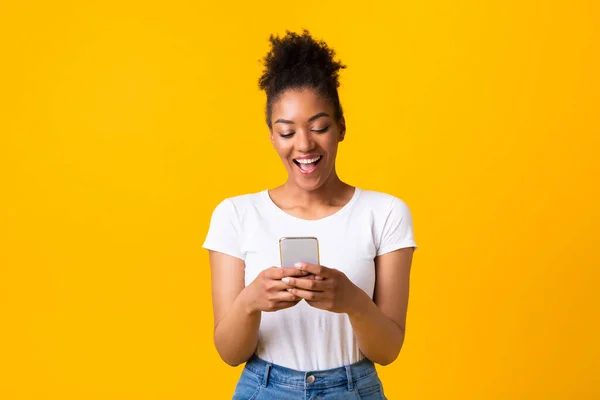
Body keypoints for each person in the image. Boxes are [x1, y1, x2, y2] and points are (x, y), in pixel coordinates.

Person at [202, 29, 417, 400]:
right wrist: (252, 301)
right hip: (264, 387)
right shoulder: (235, 214)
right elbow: (229, 353)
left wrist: (351, 300)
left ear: (341, 127)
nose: (304, 145)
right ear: (271, 136)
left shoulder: (385, 213)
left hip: (354, 389)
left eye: (319, 127)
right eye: (287, 132)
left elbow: (388, 351)